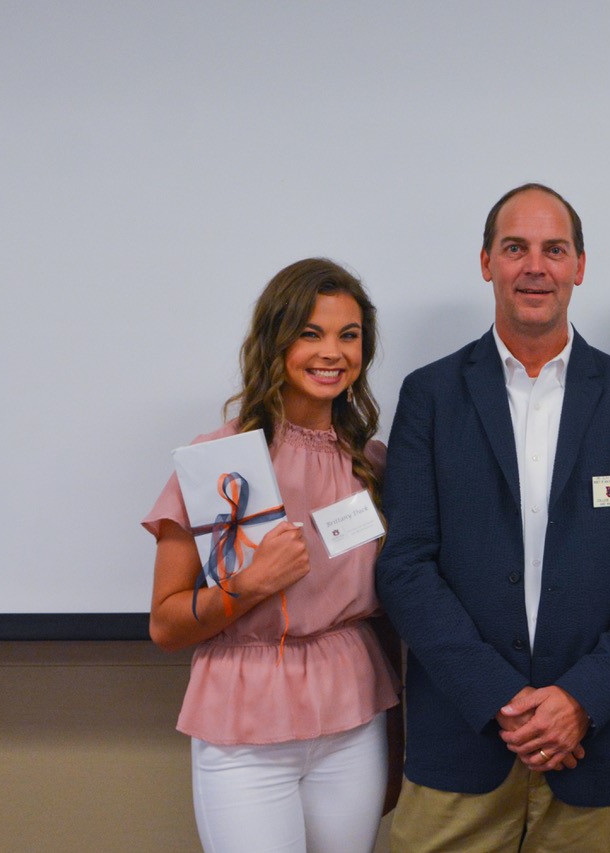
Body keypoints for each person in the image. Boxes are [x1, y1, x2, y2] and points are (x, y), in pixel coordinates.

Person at [375, 183, 610, 852]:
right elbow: (405, 567)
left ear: (580, 265)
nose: (535, 266)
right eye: (515, 248)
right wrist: (503, 700)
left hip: (590, 745)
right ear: (487, 261)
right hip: (460, 744)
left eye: (554, 249)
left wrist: (580, 699)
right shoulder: (430, 396)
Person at [142, 258, 401, 853]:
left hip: (355, 723)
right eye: (310, 333)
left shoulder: (375, 463)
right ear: (275, 340)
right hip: (244, 732)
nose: (331, 352)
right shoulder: (218, 464)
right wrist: (251, 584)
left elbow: (389, 615)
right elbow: (165, 624)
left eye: (349, 335)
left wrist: (397, 734)